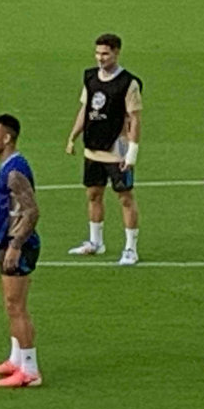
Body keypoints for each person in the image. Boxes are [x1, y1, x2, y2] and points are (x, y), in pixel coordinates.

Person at [65, 33, 142, 265]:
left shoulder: (128, 83)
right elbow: (85, 108)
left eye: (105, 53)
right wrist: (72, 137)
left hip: (116, 149)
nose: (100, 58)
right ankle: (95, 242)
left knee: (125, 197)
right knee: (93, 194)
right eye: (98, 53)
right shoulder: (90, 77)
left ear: (116, 52)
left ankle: (131, 248)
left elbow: (135, 119)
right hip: (93, 147)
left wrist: (132, 152)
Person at [0, 115, 42, 388]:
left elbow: (31, 211)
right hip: (4, 243)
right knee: (12, 306)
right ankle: (16, 358)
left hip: (15, 246)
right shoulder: (8, 166)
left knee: (16, 307)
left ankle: (29, 370)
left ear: (7, 138)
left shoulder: (15, 171)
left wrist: (15, 245)